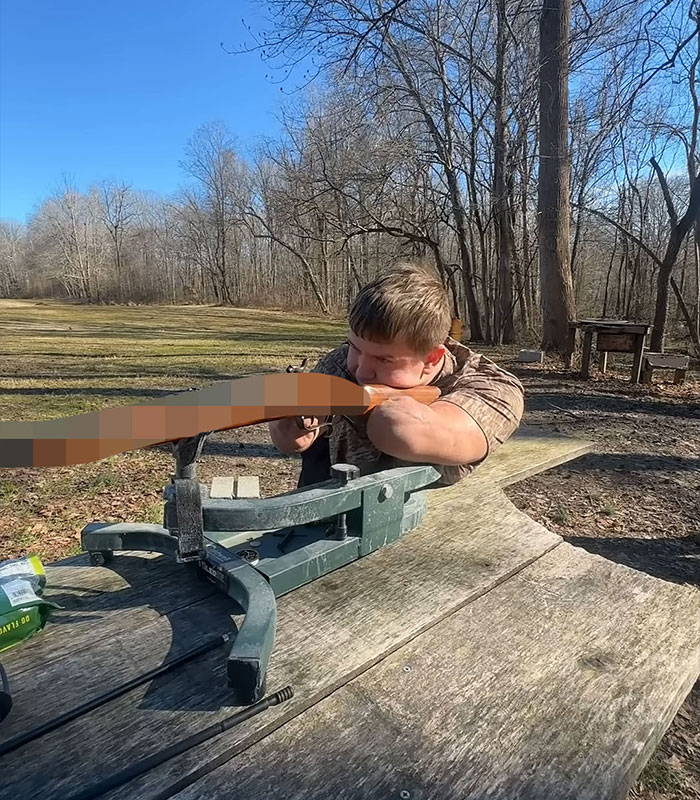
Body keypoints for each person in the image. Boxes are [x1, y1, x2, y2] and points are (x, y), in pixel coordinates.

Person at [268, 262, 524, 487]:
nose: (360, 369)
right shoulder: (338, 364)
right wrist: (291, 425)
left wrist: (357, 403)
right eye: (355, 348)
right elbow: (289, 440)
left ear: (431, 358)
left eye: (383, 359)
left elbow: (398, 429)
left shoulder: (492, 386)